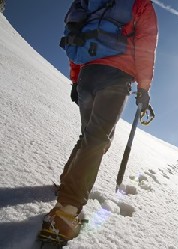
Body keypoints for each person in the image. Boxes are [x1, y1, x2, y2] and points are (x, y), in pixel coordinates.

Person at [38, 0, 158, 243]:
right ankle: (66, 213)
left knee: (90, 136)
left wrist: (76, 79)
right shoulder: (140, 4)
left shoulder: (89, 3)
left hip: (88, 75)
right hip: (116, 77)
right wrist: (144, 88)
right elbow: (146, 45)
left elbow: (77, 39)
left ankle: (67, 186)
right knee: (97, 139)